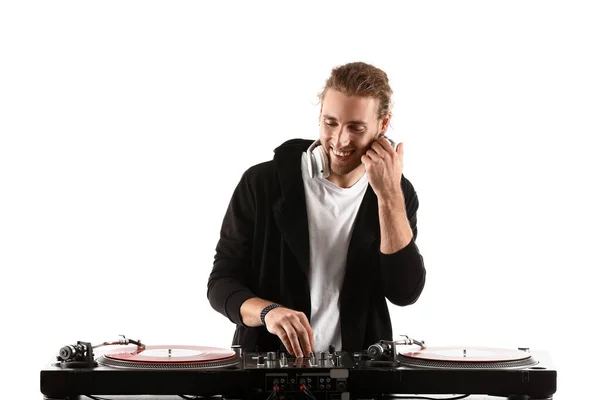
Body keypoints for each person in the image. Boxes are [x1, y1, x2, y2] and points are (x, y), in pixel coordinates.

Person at [207, 61, 426, 358]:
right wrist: (268, 312)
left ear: (383, 125)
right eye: (330, 123)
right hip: (267, 369)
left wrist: (388, 196)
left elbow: (404, 292)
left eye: (356, 127)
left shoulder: (398, 195)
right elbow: (221, 283)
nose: (340, 140)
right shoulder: (261, 184)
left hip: (361, 374)